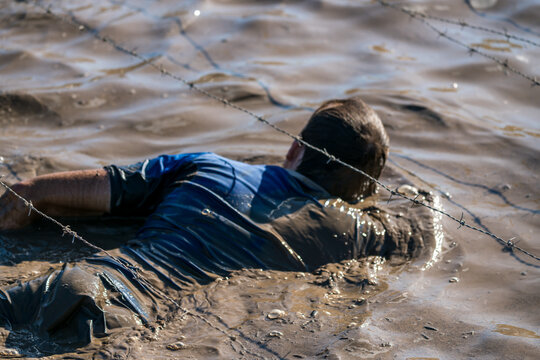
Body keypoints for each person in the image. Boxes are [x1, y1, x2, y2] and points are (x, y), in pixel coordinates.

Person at [0, 97, 436, 346]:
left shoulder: (207, 166)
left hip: (76, 277)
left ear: (294, 150)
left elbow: (33, 193)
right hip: (128, 319)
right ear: (362, 192)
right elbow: (419, 231)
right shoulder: (357, 230)